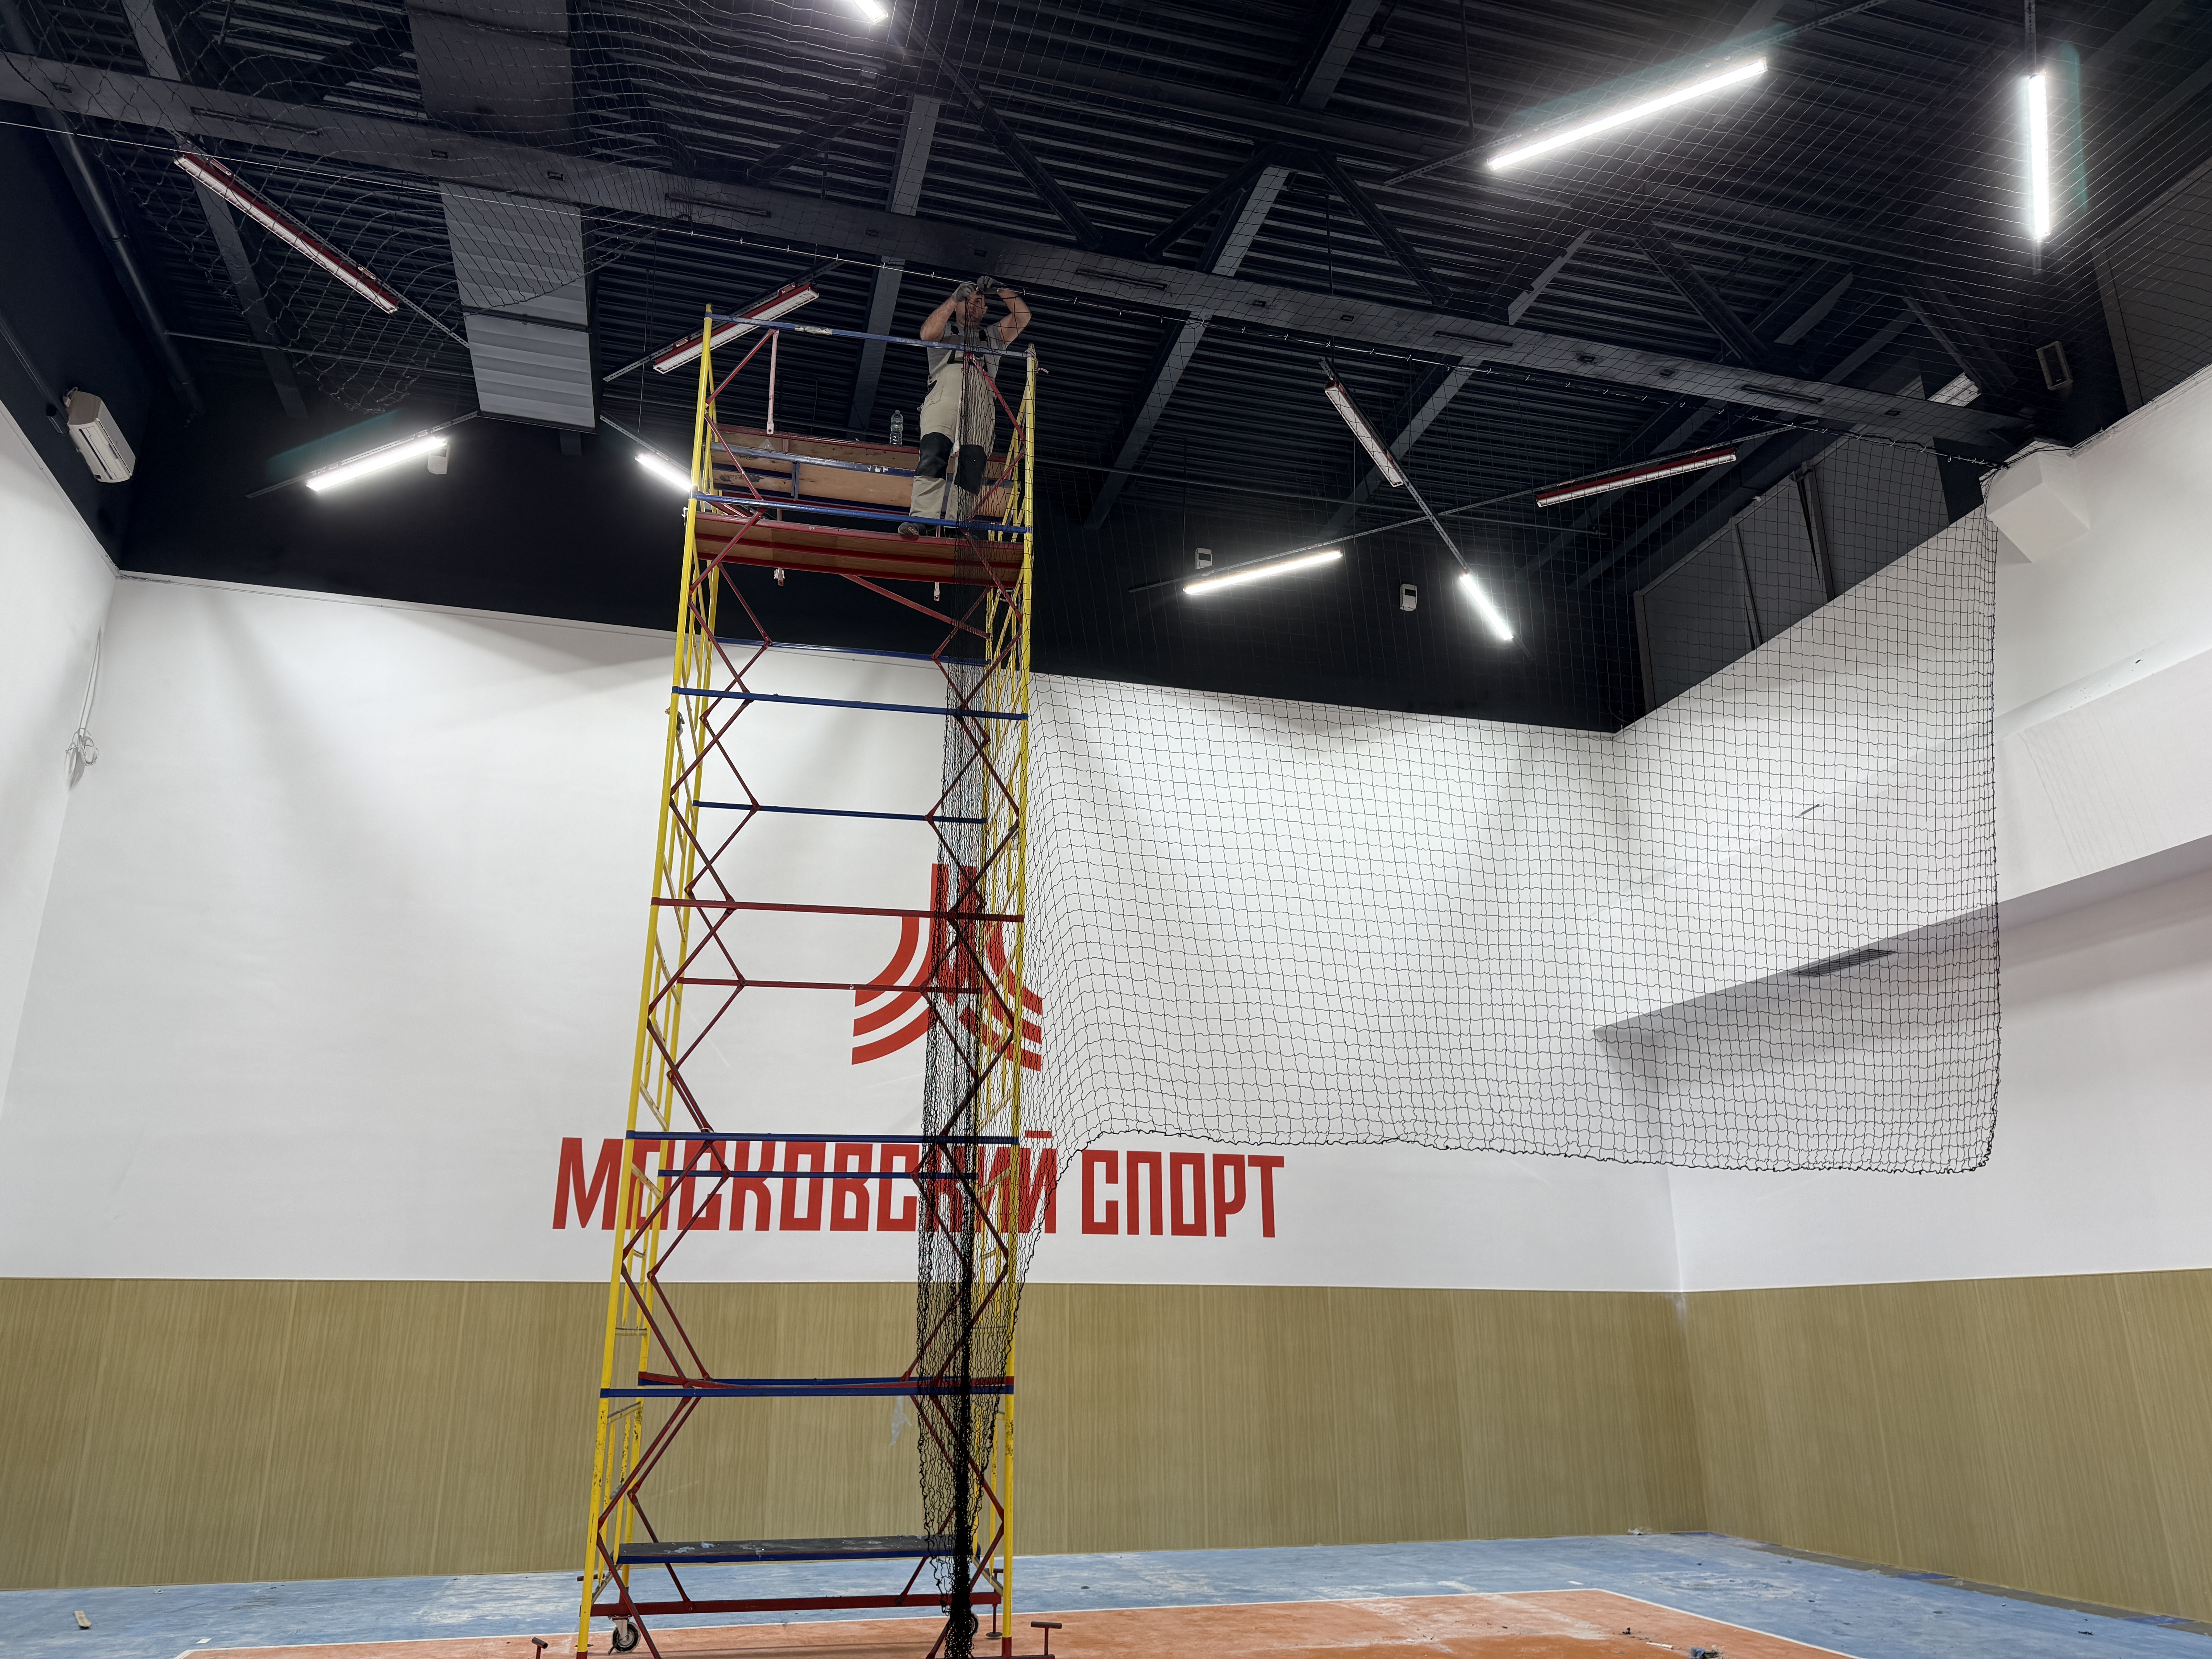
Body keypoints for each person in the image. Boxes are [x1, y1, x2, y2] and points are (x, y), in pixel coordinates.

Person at [900, 277, 1030, 537]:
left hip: (982, 401)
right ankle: (921, 519)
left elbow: (1023, 317)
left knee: (973, 463)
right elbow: (926, 334)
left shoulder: (994, 336)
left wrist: (1001, 290)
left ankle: (957, 526)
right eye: (967, 301)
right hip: (944, 396)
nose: (972, 306)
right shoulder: (945, 331)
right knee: (933, 453)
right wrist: (953, 299)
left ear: (986, 310)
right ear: (959, 305)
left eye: (979, 302)